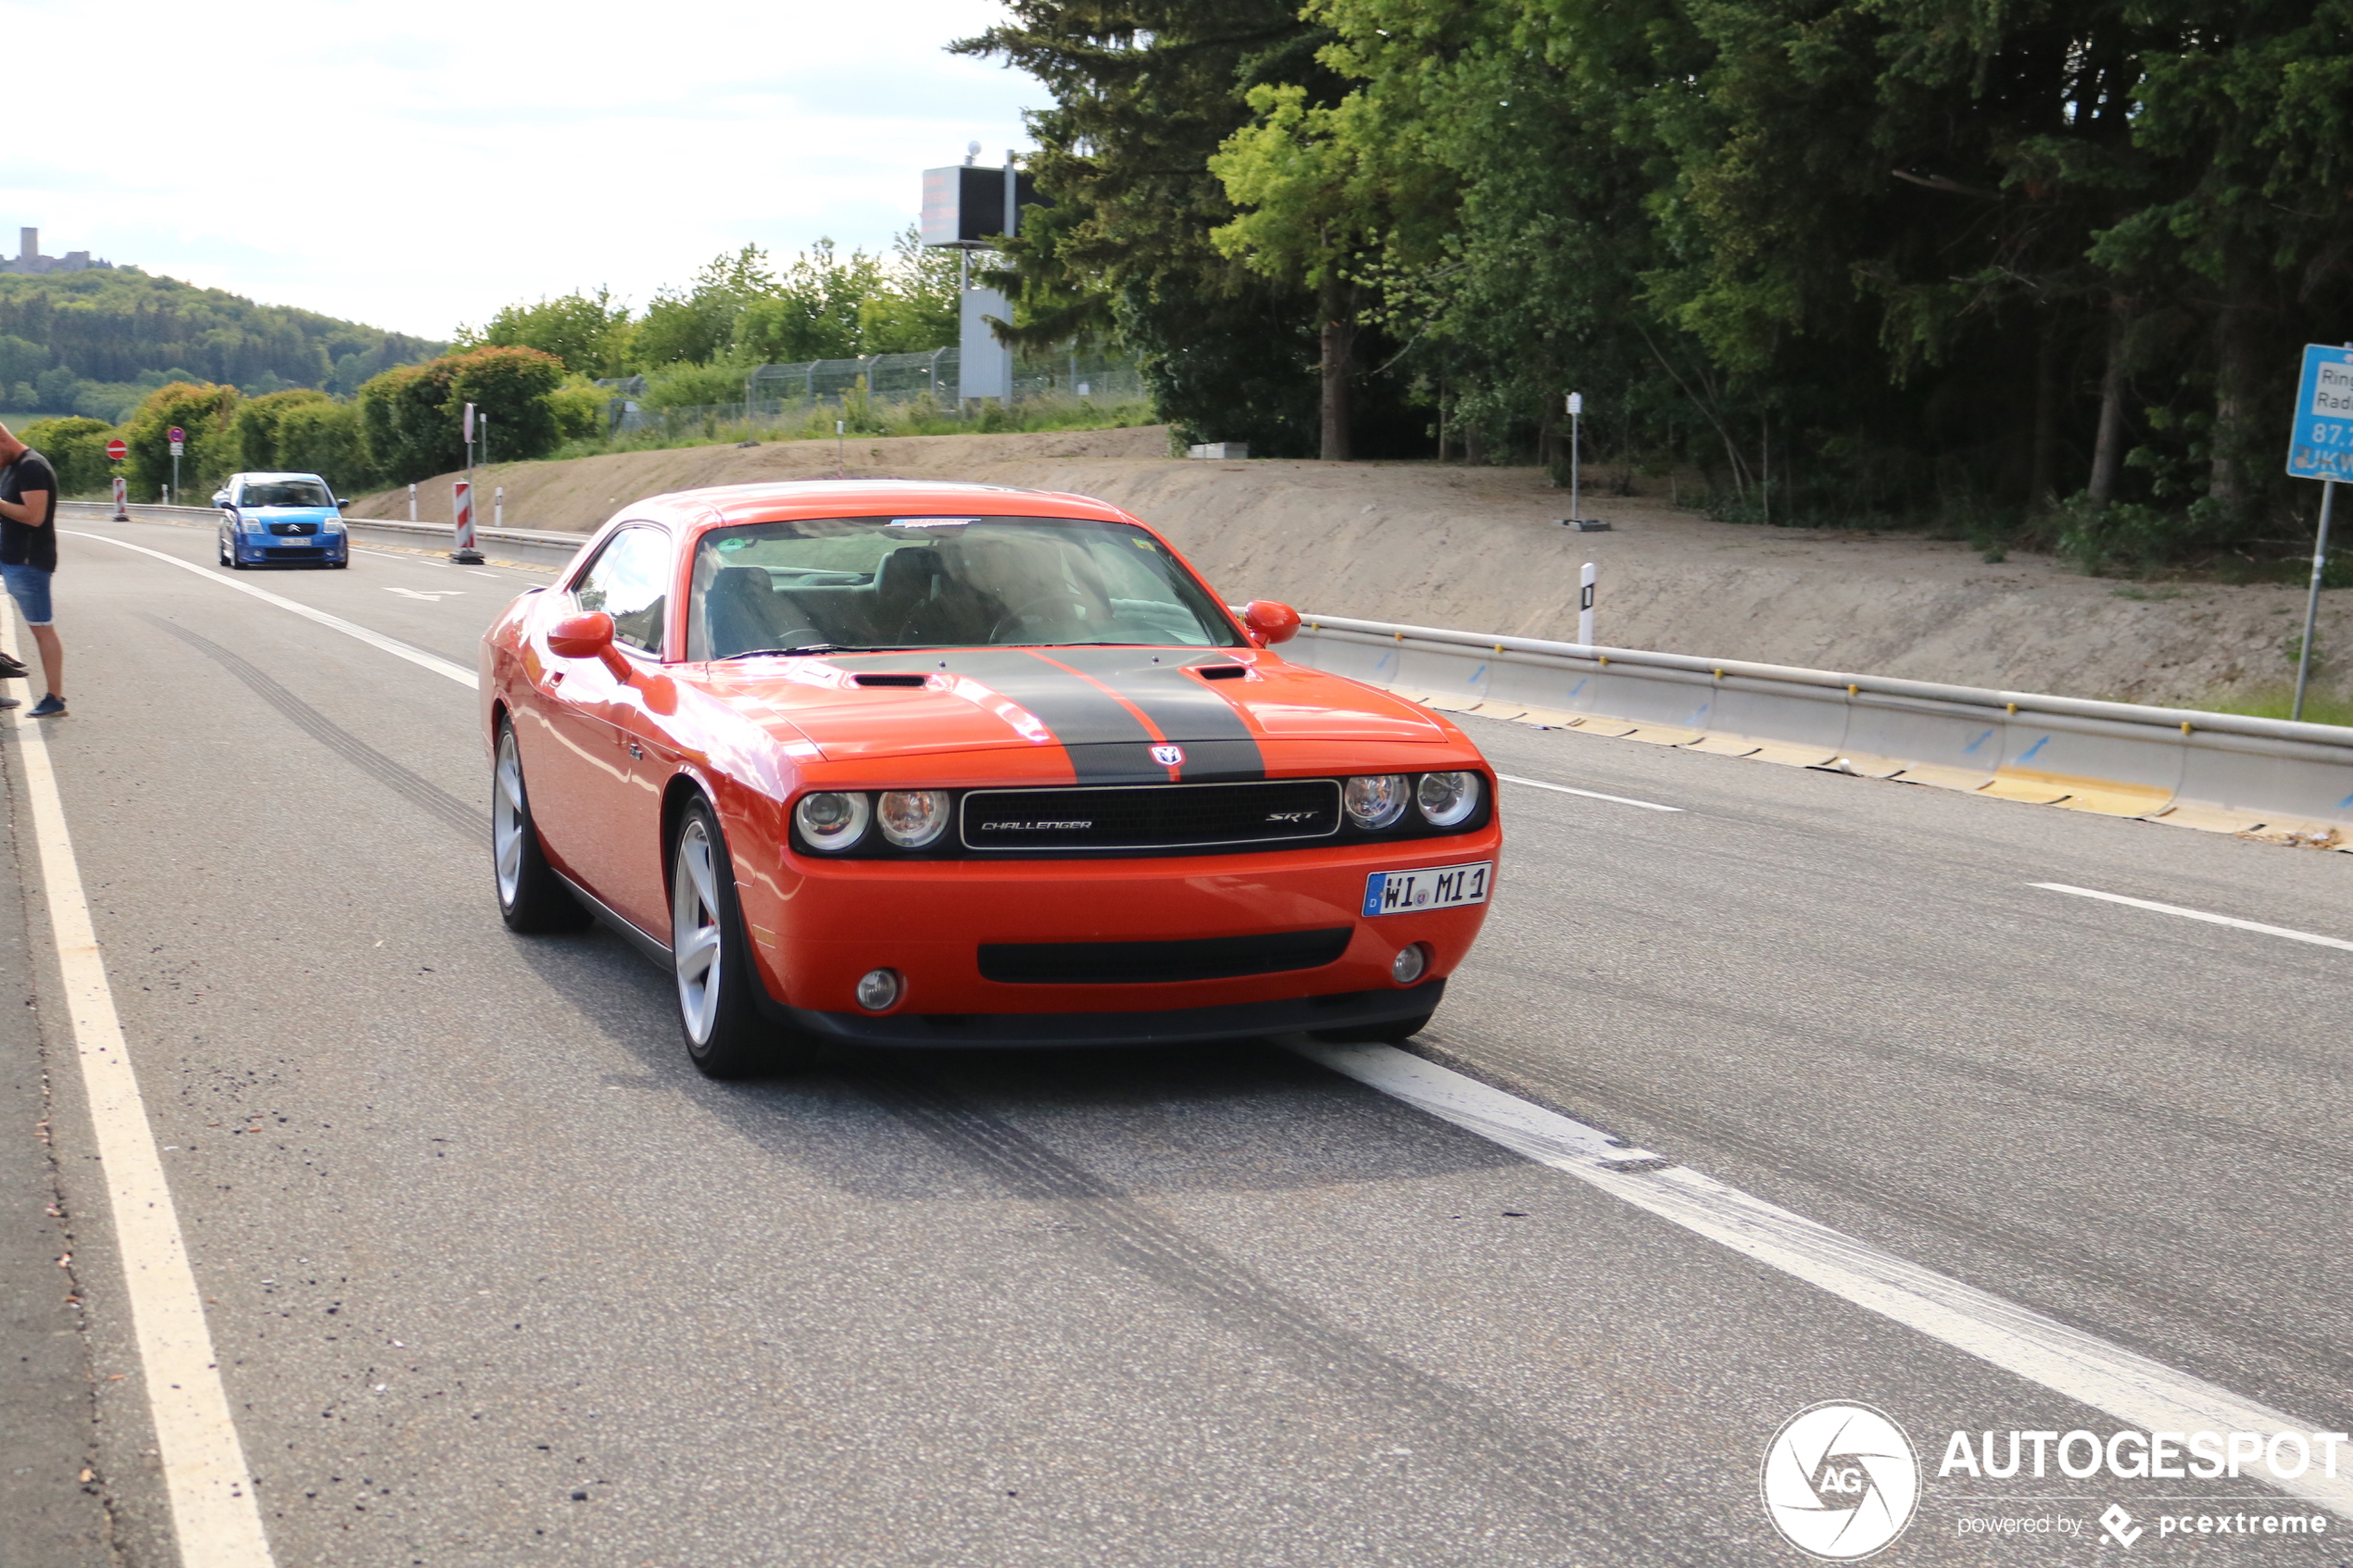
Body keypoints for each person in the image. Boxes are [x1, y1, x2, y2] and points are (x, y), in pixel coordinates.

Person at [0, 420, 64, 716]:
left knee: (42, 629)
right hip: (10, 558)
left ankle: (55, 698)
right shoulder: (12, 467)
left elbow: (34, 516)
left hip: (30, 563)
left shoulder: (32, 467)